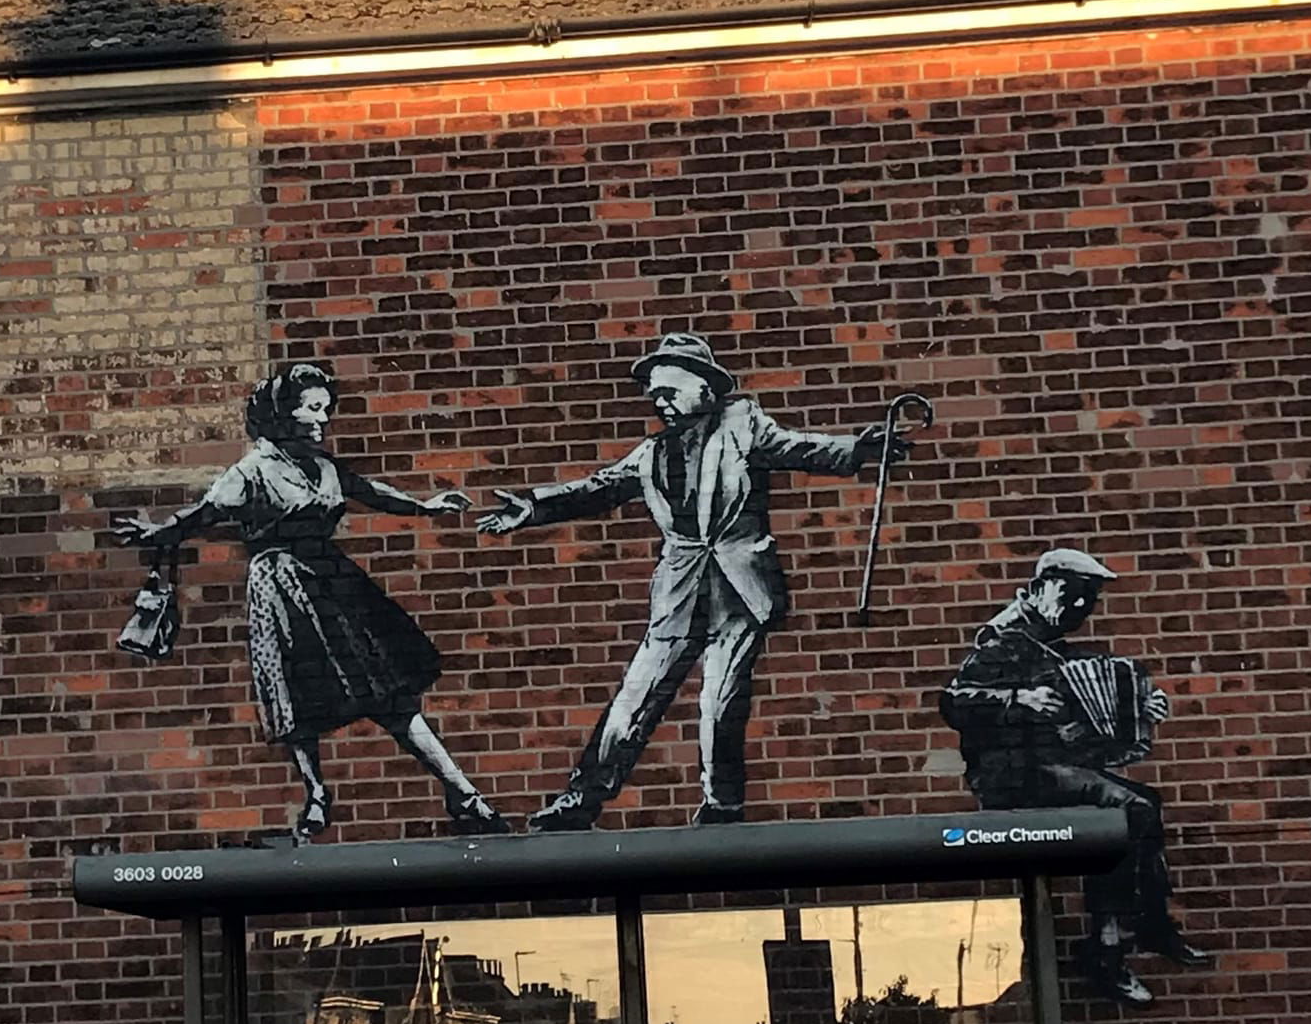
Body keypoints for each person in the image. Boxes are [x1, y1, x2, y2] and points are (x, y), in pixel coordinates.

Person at [478, 332, 907, 830]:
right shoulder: (651, 453)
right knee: (632, 701)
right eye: (655, 395)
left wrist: (857, 450)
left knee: (719, 705)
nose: (661, 402)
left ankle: (721, 806)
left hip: (739, 589)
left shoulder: (741, 423)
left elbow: (798, 448)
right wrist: (533, 505)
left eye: (670, 390)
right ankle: (583, 799)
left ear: (706, 387)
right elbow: (598, 489)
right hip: (680, 593)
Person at [111, 361, 507, 842]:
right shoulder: (252, 470)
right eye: (312, 409)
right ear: (284, 412)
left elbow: (370, 492)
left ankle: (460, 791)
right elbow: (202, 514)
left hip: (333, 580)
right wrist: (158, 532)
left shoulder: (323, 466)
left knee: (390, 692)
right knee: (297, 695)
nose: (322, 418)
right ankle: (317, 793)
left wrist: (425, 506)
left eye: (326, 409)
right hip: (280, 586)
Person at [940, 547, 1212, 1006]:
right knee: (1129, 809)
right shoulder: (1002, 638)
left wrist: (1142, 708)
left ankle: (1150, 925)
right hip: (1009, 776)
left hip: (1049, 768)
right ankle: (1107, 947)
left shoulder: (1052, 644)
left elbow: (1083, 724)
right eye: (1073, 596)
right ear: (1043, 587)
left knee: (1145, 805)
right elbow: (953, 702)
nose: (1081, 609)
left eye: (1089, 600)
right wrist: (1016, 700)